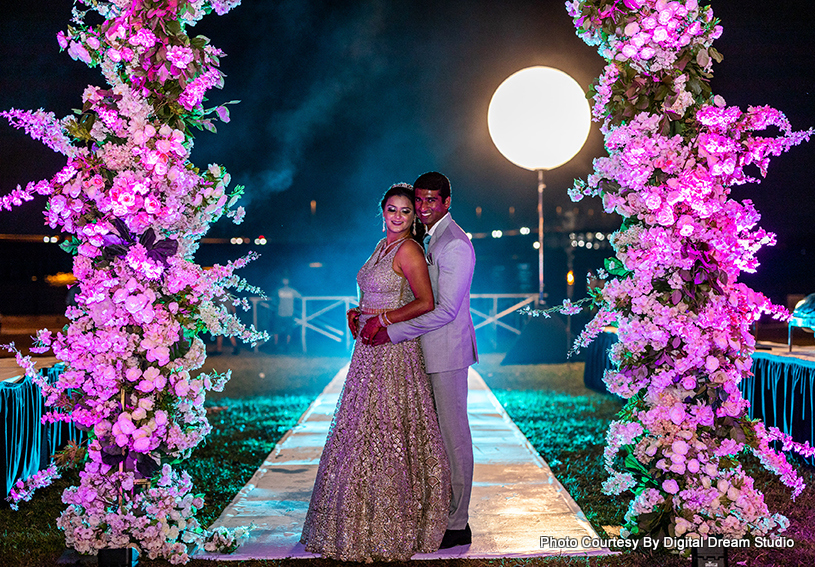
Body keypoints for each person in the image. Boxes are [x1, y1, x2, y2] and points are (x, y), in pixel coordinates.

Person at [300, 183, 451, 562]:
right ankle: (357, 516)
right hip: (367, 350)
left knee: (389, 429)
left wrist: (381, 318)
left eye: (405, 211)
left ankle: (393, 520)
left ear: (414, 215)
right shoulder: (381, 246)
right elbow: (377, 292)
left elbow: (425, 302)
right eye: (392, 210)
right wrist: (358, 313)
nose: (398, 216)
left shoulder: (409, 249)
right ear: (382, 211)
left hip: (393, 351)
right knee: (361, 430)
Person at [362, 171, 477, 549]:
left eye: (432, 201)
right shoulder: (426, 237)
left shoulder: (455, 244)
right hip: (419, 350)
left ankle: (458, 522)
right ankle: (434, 509)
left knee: (453, 435)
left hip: (445, 351)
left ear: (447, 202)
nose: (425, 208)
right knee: (431, 436)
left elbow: (444, 310)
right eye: (421, 201)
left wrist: (389, 328)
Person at [272, 276, 300, 351]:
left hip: (283, 313)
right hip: (284, 313)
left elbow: (273, 300)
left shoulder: (279, 290)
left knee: (281, 330)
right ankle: (282, 345)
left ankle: (279, 345)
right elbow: (300, 297)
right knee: (285, 330)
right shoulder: (291, 291)